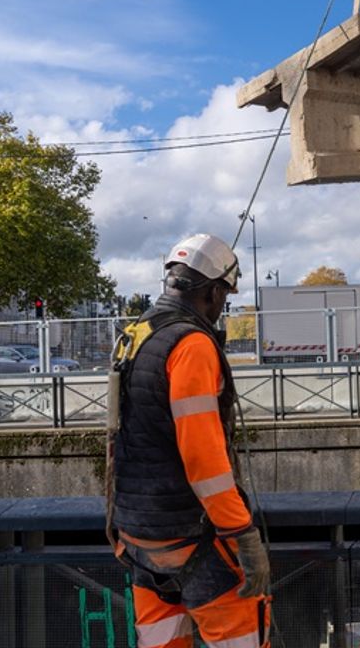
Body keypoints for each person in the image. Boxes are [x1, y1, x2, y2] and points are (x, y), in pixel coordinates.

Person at [108, 233, 272, 648]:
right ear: (214, 291)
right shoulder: (192, 345)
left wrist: (115, 518)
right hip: (193, 536)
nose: (222, 309)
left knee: (162, 641)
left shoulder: (133, 336)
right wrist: (243, 535)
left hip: (139, 537)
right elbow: (203, 458)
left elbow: (116, 435)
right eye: (224, 298)